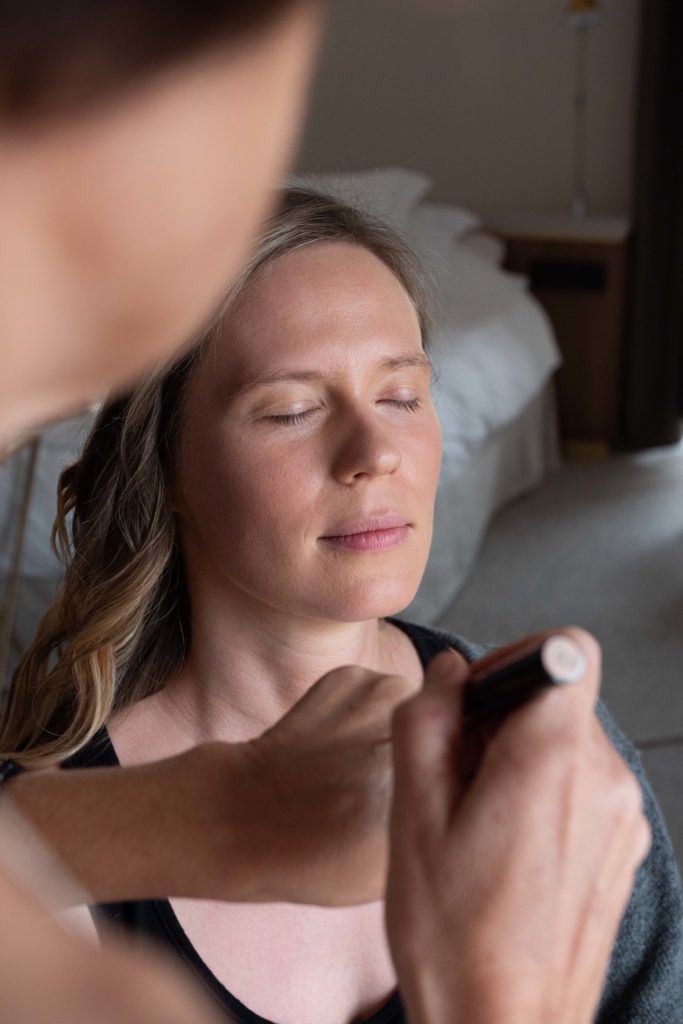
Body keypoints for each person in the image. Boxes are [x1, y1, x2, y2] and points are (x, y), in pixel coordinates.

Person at [7, 188, 679, 1023]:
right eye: (291, 410)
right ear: (167, 466)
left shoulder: (551, 747)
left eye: (401, 396)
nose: (375, 452)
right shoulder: (53, 844)